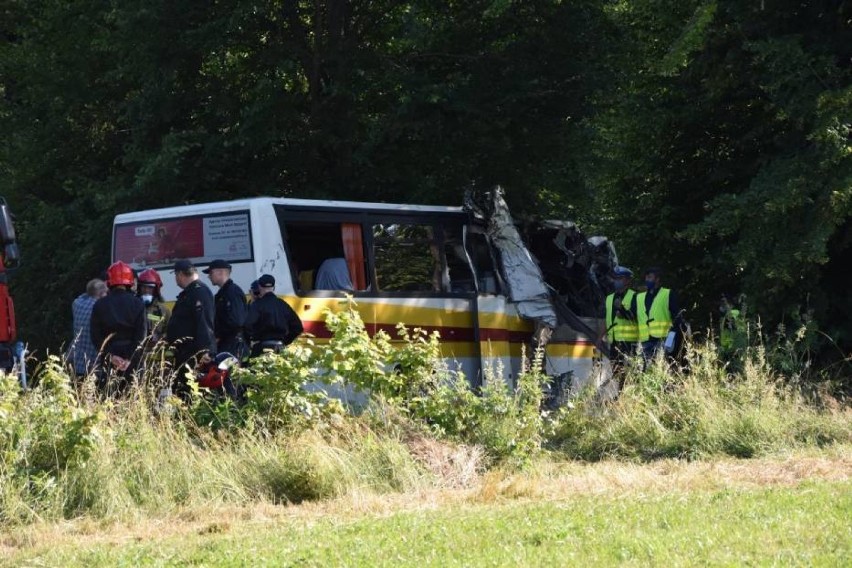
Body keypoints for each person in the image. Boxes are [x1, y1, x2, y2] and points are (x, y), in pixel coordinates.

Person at [90, 262, 147, 393]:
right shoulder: (138, 304)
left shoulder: (100, 305)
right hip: (133, 360)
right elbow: (141, 335)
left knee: (107, 399)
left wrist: (111, 356)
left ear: (109, 281)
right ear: (130, 282)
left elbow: (95, 336)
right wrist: (129, 358)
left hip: (109, 359)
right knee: (132, 399)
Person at [166, 259, 216, 394]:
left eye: (176, 276)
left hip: (194, 352)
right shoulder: (189, 293)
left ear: (180, 275)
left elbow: (204, 322)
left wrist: (205, 351)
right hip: (185, 352)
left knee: (193, 391)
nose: (176, 279)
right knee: (183, 390)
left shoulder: (199, 292)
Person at [245, 274, 303, 357]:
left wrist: (250, 342)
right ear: (274, 287)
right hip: (279, 348)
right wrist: (285, 341)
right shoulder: (282, 304)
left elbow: (247, 325)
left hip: (261, 348)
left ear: (260, 287)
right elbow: (298, 327)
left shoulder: (257, 305)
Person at [203, 259, 248, 359]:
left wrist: (219, 334)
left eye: (211, 273)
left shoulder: (233, 292)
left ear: (221, 272)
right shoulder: (222, 294)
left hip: (233, 346)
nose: (209, 276)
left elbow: (237, 321)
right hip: (227, 344)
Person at [636, 267, 682, 363]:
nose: (646, 280)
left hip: (663, 340)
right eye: (646, 278)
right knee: (646, 369)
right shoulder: (640, 297)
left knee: (662, 368)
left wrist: (669, 342)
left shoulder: (667, 294)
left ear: (657, 279)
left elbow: (677, 320)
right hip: (645, 340)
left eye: (649, 277)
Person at [604, 266, 639, 380]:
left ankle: (627, 393)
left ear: (628, 281)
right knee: (616, 372)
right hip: (613, 341)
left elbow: (636, 318)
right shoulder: (609, 298)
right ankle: (619, 395)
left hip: (629, 342)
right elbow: (607, 320)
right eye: (615, 278)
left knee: (629, 371)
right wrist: (600, 337)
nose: (616, 281)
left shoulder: (634, 297)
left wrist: (623, 311)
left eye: (620, 278)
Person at [68, 278, 108, 378]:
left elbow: (85, 295)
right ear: (101, 294)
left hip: (76, 361)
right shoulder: (100, 308)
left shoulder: (77, 303)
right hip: (93, 363)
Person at [137, 268, 171, 344]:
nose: (146, 290)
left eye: (150, 288)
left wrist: (159, 338)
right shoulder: (133, 308)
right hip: (137, 353)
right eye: (143, 287)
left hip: (156, 352)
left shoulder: (164, 310)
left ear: (156, 290)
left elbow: (171, 332)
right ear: (139, 288)